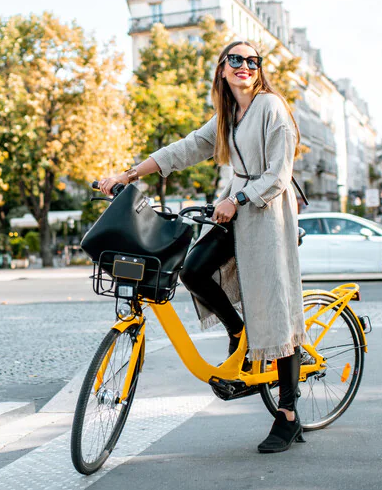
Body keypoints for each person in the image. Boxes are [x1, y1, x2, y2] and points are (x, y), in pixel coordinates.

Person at [98, 41, 307, 454]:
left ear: (258, 69)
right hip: (236, 209)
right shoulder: (228, 116)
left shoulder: (271, 108)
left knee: (274, 308)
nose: (244, 66)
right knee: (193, 270)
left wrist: (239, 199)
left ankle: (288, 415)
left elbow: (280, 174)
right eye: (236, 60)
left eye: (252, 61)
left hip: (266, 213)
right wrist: (128, 173)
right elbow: (186, 148)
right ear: (222, 70)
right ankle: (237, 329)